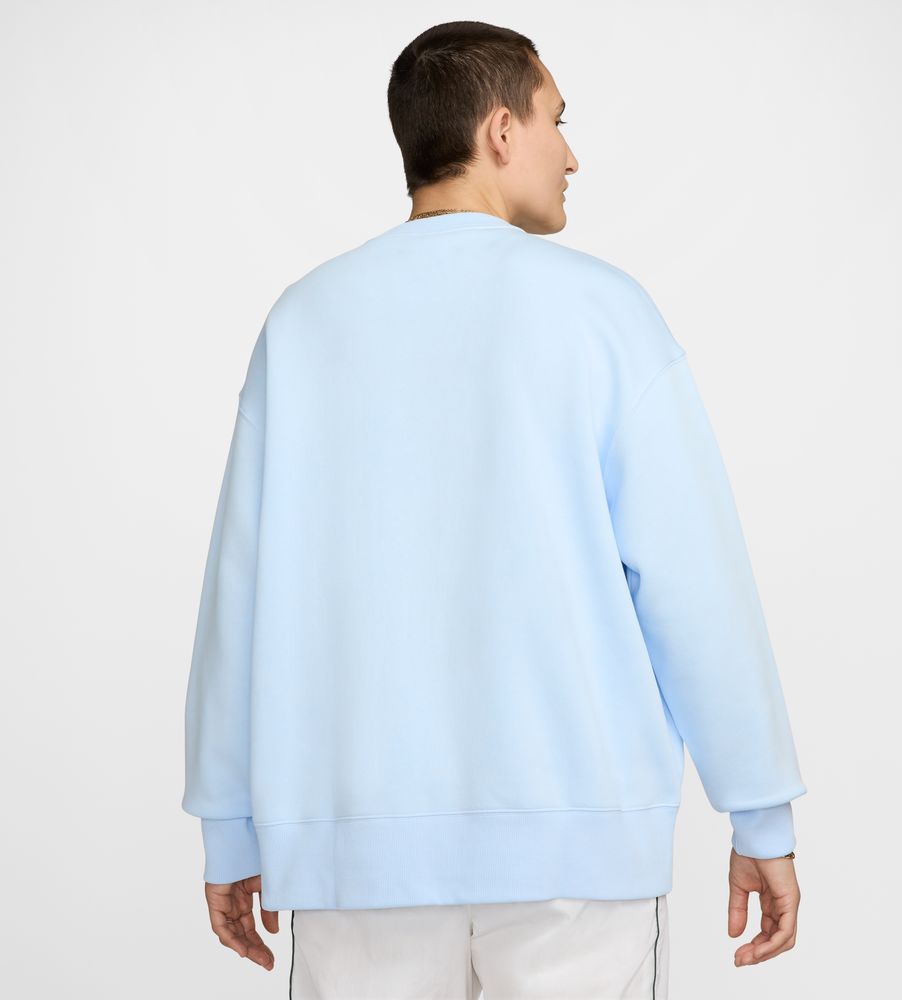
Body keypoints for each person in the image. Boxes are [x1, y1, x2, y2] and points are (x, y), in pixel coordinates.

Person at [181, 19, 807, 998]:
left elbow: (241, 595)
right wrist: (759, 811)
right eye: (558, 119)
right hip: (577, 853)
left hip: (357, 857)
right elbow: (693, 583)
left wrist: (230, 825)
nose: (572, 154)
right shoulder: (604, 313)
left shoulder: (303, 322)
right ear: (501, 130)